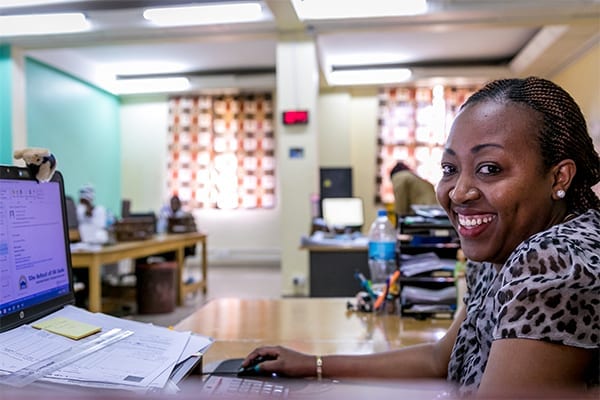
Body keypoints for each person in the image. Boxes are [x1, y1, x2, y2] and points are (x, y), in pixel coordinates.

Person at [241, 77, 600, 398]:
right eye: (449, 169)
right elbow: (437, 360)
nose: (459, 193)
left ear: (559, 178)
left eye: (489, 169)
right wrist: (314, 365)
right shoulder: (503, 250)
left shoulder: (553, 259)